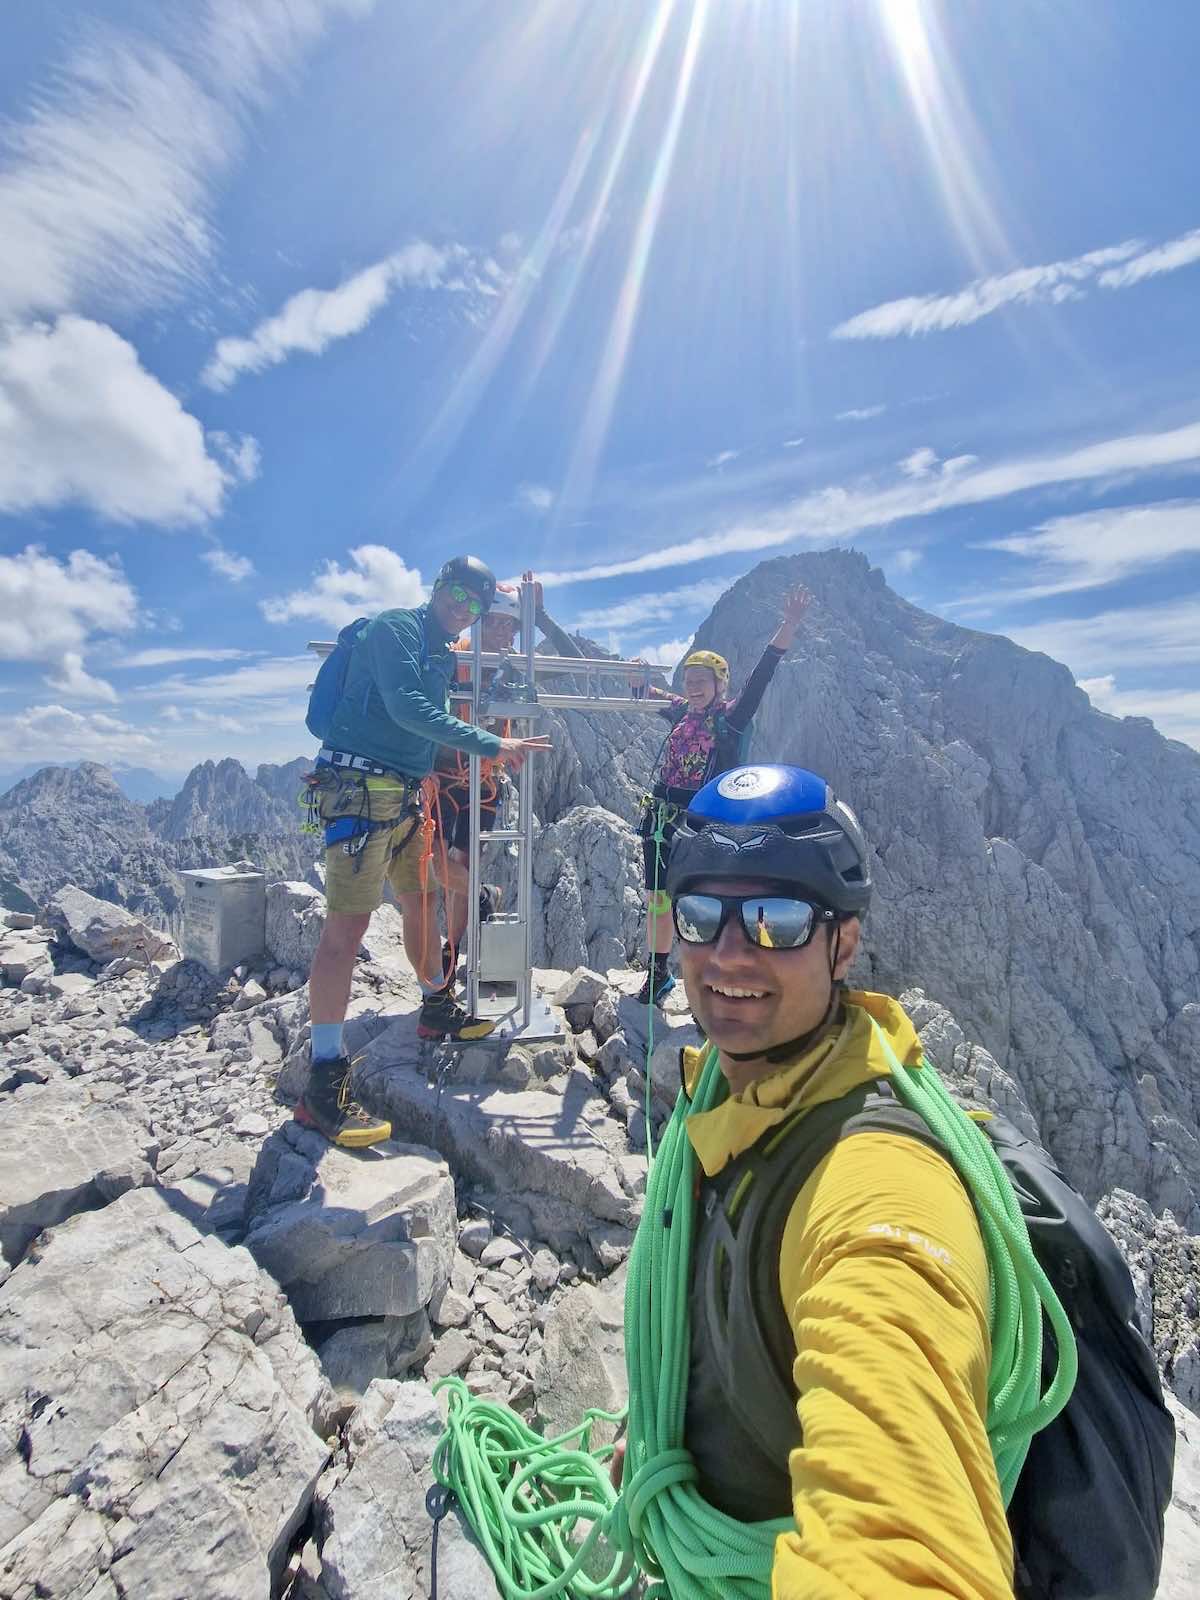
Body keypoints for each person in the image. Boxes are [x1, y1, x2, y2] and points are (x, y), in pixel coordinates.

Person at [612, 762, 1013, 1595]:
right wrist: (661, 1429)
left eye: (777, 919)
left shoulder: (879, 1178)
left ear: (845, 942)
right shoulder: (730, 1090)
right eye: (700, 916)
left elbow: (903, 1537)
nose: (728, 952)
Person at [297, 555, 551, 1148]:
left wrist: (526, 608)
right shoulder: (397, 630)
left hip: (406, 797)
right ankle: (323, 1081)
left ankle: (435, 1006)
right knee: (347, 930)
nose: (464, 606)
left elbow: (445, 701)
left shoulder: (443, 650)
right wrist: (492, 743)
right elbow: (408, 707)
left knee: (423, 902)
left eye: (477, 602)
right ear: (438, 587)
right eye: (458, 592)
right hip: (358, 792)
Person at [634, 584, 810, 1006]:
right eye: (689, 680)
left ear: (719, 685)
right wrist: (634, 677)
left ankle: (713, 988)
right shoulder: (680, 712)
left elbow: (763, 675)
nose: (693, 687)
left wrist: (787, 626)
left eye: (702, 681)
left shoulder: (731, 718)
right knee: (659, 900)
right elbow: (638, 691)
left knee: (704, 906)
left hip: (707, 823)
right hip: (663, 817)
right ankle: (658, 976)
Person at [432, 580, 522, 973]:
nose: (504, 633)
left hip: (483, 784)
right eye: (496, 623)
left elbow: (568, 668)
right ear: (478, 622)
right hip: (442, 776)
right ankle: (482, 896)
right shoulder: (454, 657)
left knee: (463, 864)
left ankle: (450, 954)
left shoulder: (515, 669)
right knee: (430, 861)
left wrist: (545, 617)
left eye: (511, 626)